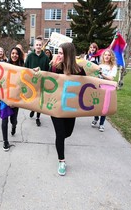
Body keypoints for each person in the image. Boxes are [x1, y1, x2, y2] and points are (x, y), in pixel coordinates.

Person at [48, 42, 86, 176]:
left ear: (68, 54)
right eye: (57, 53)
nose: (58, 55)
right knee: (60, 134)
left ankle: (60, 143)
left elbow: (86, 86)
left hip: (70, 109)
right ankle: (62, 161)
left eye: (60, 53)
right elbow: (47, 81)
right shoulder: (56, 68)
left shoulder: (79, 71)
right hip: (57, 107)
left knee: (67, 133)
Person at [1, 47, 25, 151]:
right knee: (4, 119)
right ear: (10, 54)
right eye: (12, 53)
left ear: (19, 55)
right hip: (5, 97)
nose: (14, 55)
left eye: (16, 53)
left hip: (16, 98)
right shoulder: (5, 66)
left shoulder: (23, 68)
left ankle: (14, 126)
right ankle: (5, 142)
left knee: (13, 120)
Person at [25, 36, 50, 126]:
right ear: (34, 46)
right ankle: (33, 109)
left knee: (40, 101)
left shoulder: (46, 58)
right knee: (33, 98)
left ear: (42, 46)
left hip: (41, 82)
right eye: (37, 45)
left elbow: (48, 70)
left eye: (40, 45)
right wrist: (32, 70)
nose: (38, 46)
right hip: (32, 82)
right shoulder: (30, 56)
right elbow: (26, 68)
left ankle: (38, 117)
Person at [91, 49, 117, 132]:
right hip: (98, 88)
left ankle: (101, 124)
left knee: (104, 107)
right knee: (96, 104)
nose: (107, 56)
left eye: (109, 55)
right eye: (105, 55)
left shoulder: (113, 67)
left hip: (107, 89)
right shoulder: (99, 65)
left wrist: (102, 74)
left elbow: (111, 78)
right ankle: (96, 118)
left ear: (111, 57)